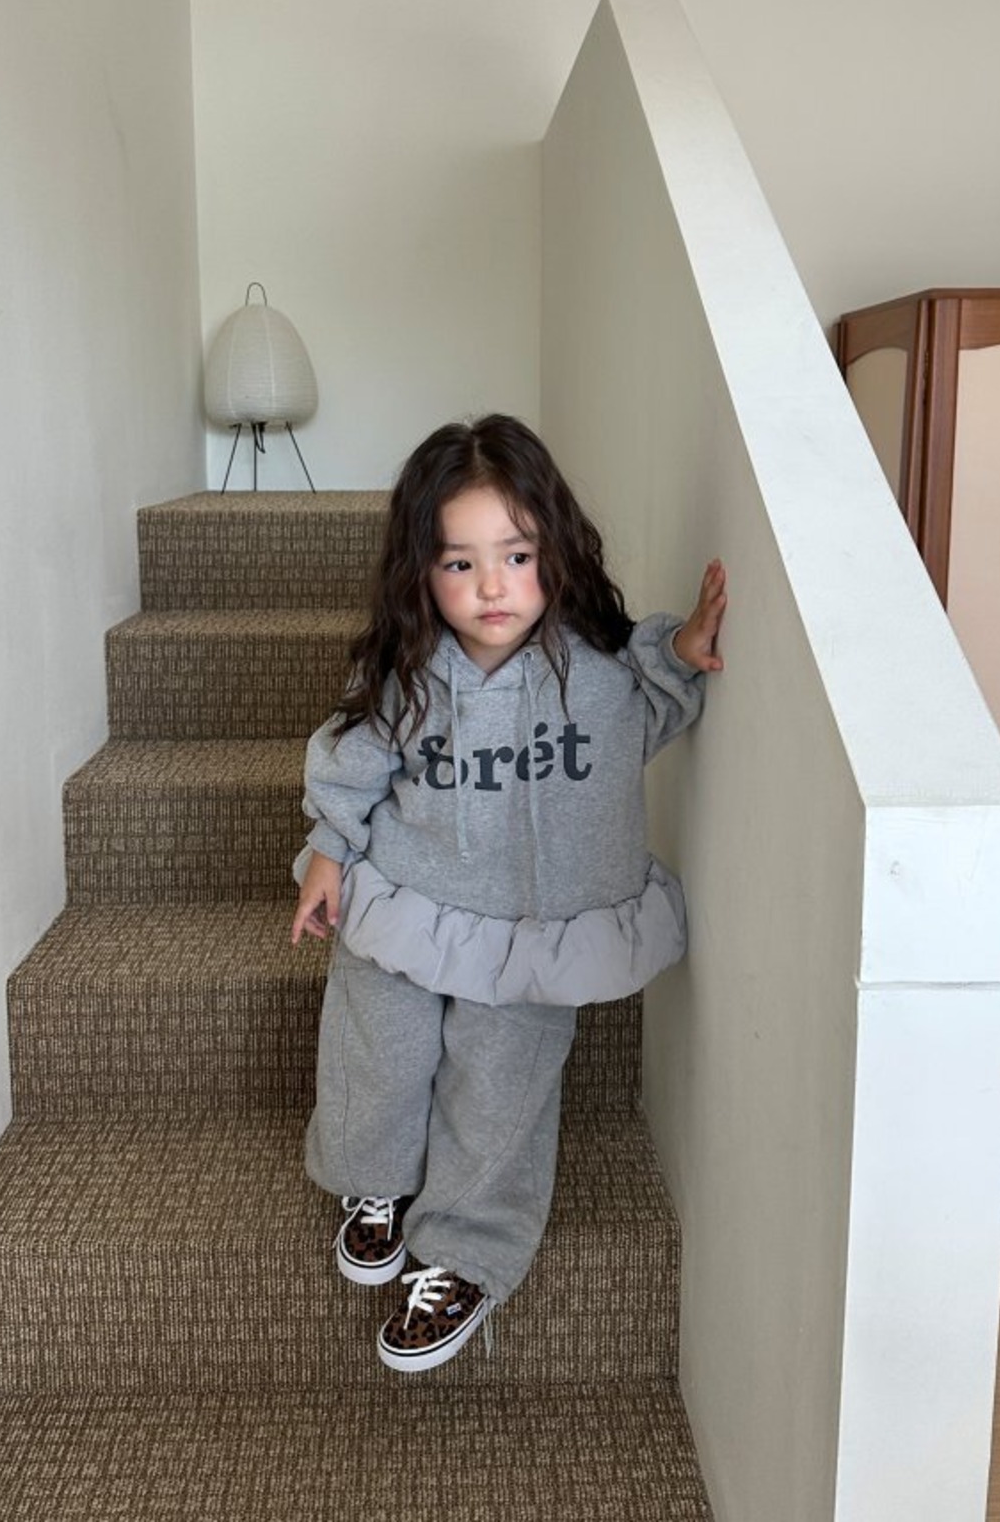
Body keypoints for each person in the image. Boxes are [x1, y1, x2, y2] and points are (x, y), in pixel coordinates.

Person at [290, 413, 726, 1374]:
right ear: (420, 570)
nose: (492, 587)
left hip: (532, 933)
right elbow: (353, 762)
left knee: (501, 1086)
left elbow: (655, 699)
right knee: (379, 1046)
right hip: (410, 899)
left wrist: (685, 648)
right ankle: (373, 1177)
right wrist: (328, 851)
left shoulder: (598, 669)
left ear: (554, 550)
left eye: (517, 555)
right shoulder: (406, 670)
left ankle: (465, 1250)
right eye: (460, 563)